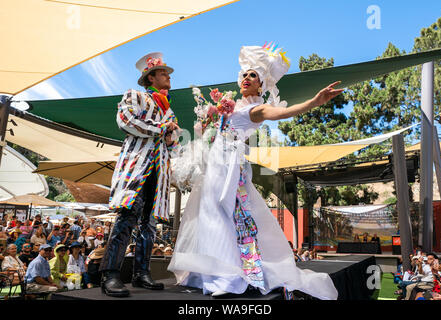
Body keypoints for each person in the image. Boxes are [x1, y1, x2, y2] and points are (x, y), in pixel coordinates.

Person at [168, 44, 341, 299]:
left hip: (229, 166)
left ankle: (226, 276)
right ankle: (210, 272)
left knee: (220, 214)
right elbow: (211, 134)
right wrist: (207, 123)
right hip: (216, 162)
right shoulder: (231, 106)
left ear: (261, 85)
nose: (246, 78)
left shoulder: (255, 109)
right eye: (245, 74)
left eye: (253, 76)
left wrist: (314, 102)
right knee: (210, 214)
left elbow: (282, 112)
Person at [99, 52, 180, 298]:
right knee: (127, 218)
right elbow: (125, 121)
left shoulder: (169, 109)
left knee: (150, 223)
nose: (168, 76)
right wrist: (161, 129)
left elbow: (174, 142)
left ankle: (141, 272)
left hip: (159, 169)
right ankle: (110, 274)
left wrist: (170, 136)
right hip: (137, 163)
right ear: (151, 76)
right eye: (164, 72)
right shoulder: (134, 96)